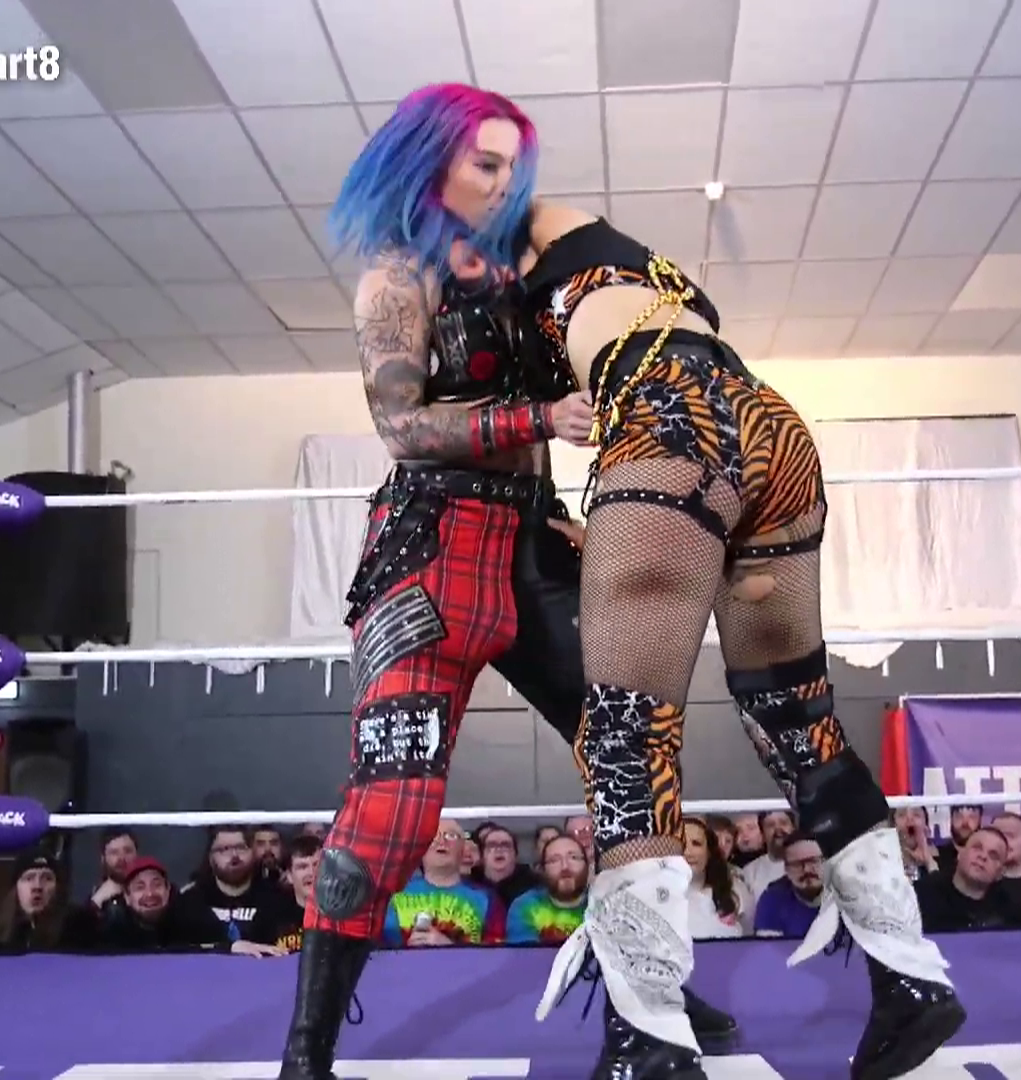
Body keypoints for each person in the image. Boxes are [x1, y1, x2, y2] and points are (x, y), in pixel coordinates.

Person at [280, 83, 736, 1080]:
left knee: (632, 754)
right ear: (432, 160)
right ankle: (306, 1048)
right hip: (431, 556)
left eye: (512, 165)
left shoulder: (528, 272)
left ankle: (649, 986)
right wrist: (538, 420)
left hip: (531, 551)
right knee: (392, 811)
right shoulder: (396, 276)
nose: (504, 183)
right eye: (485, 162)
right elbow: (403, 428)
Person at [518, 202, 964, 1078]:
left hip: (666, 420)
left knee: (626, 738)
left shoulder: (518, 238)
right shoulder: (630, 262)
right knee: (797, 717)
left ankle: (648, 1034)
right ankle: (911, 974)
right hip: (766, 422)